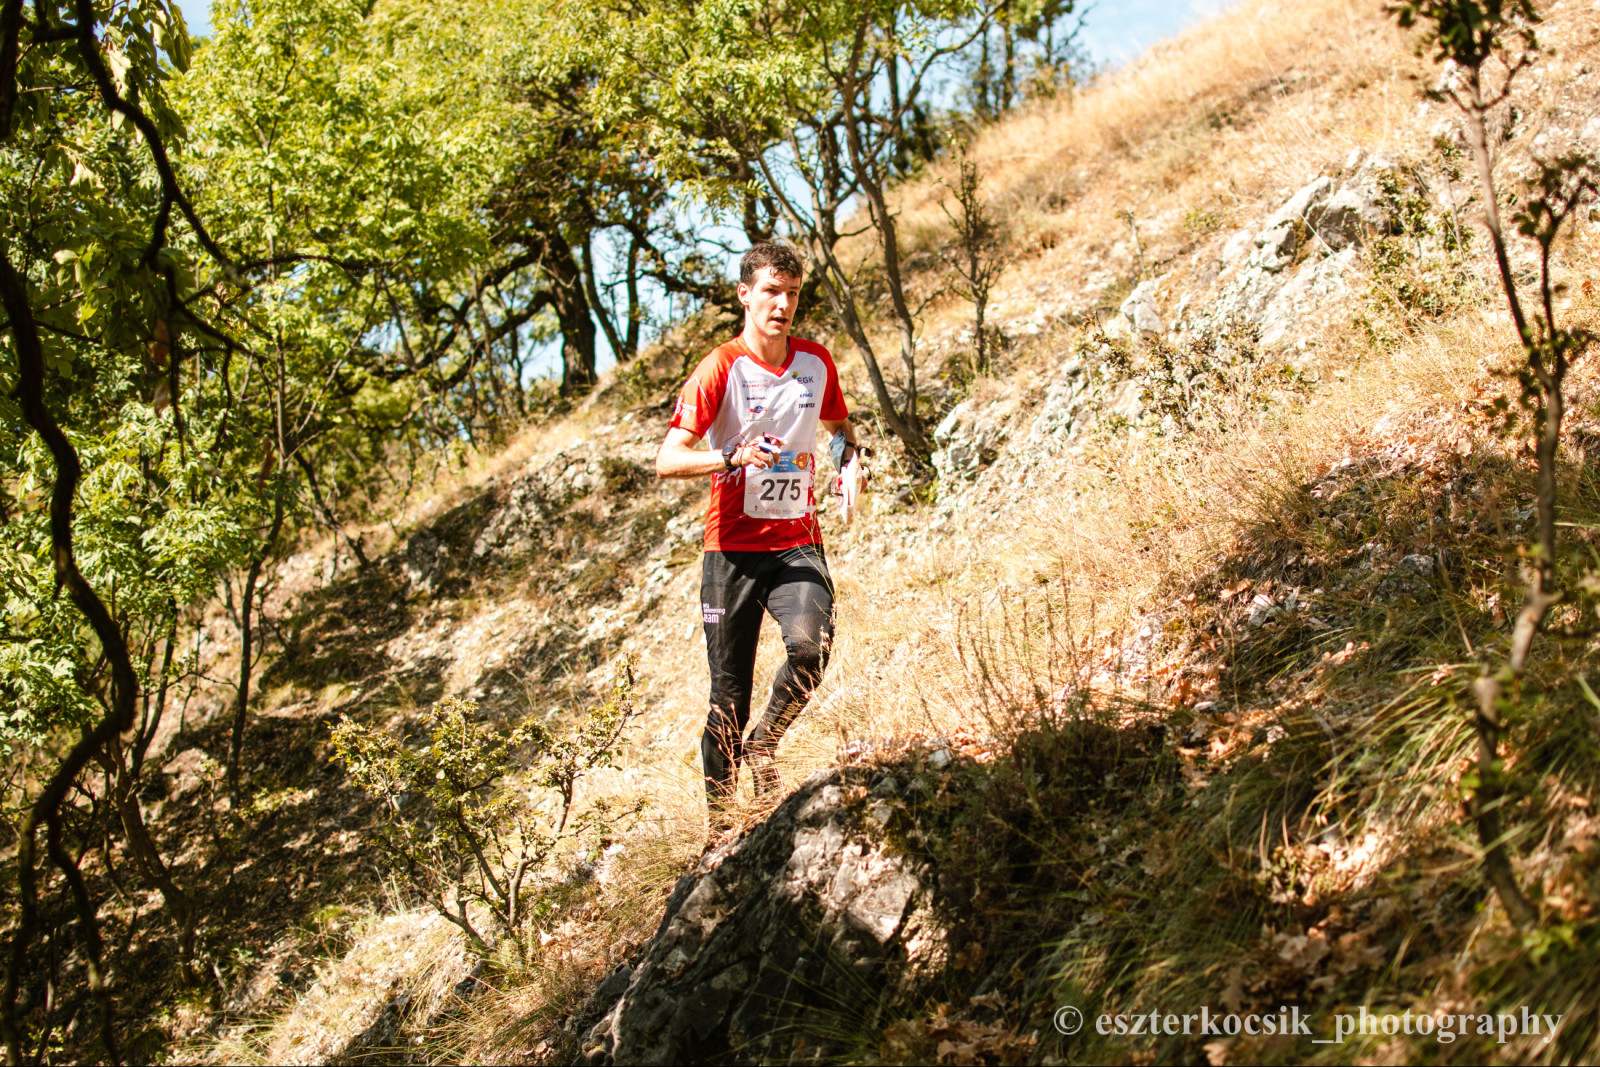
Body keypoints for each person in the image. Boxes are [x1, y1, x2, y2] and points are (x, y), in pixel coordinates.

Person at [655, 242, 866, 828]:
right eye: (772, 291)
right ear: (744, 295)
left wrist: (851, 462)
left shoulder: (815, 362)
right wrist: (731, 456)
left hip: (797, 542)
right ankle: (723, 831)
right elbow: (668, 460)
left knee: (811, 648)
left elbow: (840, 428)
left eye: (792, 293)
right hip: (732, 553)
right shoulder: (720, 367)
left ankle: (765, 743)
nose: (783, 304)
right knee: (728, 700)